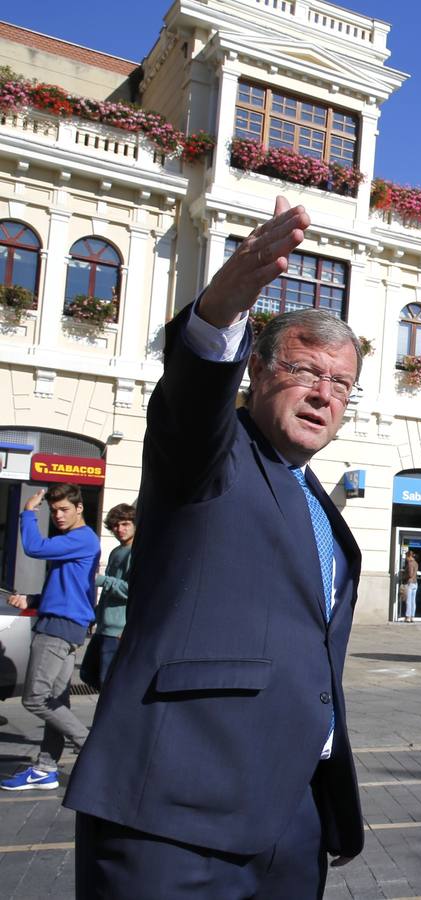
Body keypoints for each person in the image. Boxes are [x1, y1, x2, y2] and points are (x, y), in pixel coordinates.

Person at [63, 197, 366, 898]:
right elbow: (192, 399)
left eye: (340, 382)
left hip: (290, 818)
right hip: (175, 814)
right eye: (304, 371)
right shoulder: (211, 456)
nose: (323, 394)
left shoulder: (315, 496)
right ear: (256, 373)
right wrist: (220, 311)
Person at [0, 483, 100, 792]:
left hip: (58, 628)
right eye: (54, 510)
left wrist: (29, 513)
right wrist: (32, 600)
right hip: (64, 623)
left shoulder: (82, 538)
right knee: (56, 702)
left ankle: (92, 749)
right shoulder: (75, 541)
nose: (57, 515)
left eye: (64, 509)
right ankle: (45, 768)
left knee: (35, 699)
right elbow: (65, 587)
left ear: (79, 508)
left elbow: (35, 548)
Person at [84, 502, 135, 689]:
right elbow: (109, 592)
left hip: (118, 631)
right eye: (115, 525)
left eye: (125, 524)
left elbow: (132, 590)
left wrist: (102, 580)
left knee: (109, 683)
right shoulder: (116, 551)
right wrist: (95, 616)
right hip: (103, 628)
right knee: (89, 674)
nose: (119, 529)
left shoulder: (136, 552)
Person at [402, 549, 419, 622]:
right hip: (415, 583)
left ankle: (407, 617)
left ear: (409, 556)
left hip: (410, 583)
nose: (406, 558)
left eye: (406, 556)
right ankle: (412, 616)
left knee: (408, 601)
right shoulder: (416, 563)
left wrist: (404, 576)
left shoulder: (410, 563)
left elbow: (410, 574)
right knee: (413, 601)